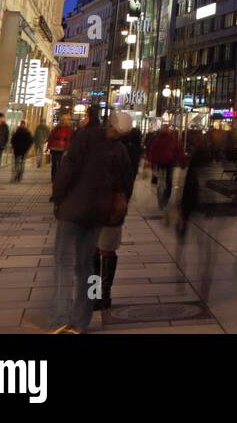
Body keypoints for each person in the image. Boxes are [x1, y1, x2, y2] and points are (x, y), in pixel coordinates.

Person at [50, 110, 130, 333]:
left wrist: (57, 199)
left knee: (71, 262)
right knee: (89, 261)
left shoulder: (84, 139)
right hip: (102, 212)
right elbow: (126, 184)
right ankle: (91, 307)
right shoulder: (120, 150)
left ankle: (65, 314)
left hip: (76, 210)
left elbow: (67, 170)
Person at [94, 112, 139, 322]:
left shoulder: (94, 145)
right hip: (112, 206)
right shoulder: (123, 150)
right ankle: (104, 293)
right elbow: (128, 180)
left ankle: (95, 294)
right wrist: (123, 199)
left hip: (94, 205)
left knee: (94, 250)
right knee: (106, 250)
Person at [146, 125, 184, 206]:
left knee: (161, 179)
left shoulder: (157, 138)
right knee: (169, 180)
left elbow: (151, 149)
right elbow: (178, 150)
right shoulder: (173, 139)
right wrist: (181, 162)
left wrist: (150, 160)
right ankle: (166, 198)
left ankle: (160, 196)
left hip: (159, 162)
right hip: (169, 162)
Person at [47, 113, 73, 181]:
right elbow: (51, 137)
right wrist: (48, 146)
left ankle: (58, 177)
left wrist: (67, 148)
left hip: (63, 148)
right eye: (62, 119)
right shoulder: (56, 128)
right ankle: (53, 177)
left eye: (65, 119)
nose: (63, 121)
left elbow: (68, 139)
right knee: (54, 163)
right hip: (55, 148)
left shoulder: (68, 129)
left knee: (60, 164)